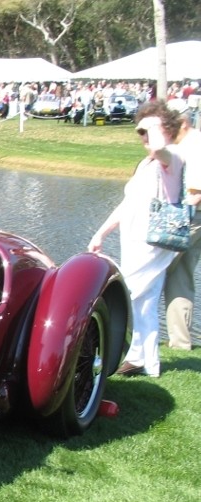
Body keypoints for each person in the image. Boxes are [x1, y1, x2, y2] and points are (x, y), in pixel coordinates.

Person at [88, 101, 186, 377]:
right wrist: (101, 232)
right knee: (144, 302)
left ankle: (113, 352)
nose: (143, 136)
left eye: (149, 130)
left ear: (166, 129)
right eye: (140, 131)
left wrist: (153, 128)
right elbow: (127, 203)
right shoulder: (146, 163)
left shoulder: (173, 157)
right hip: (134, 239)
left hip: (152, 243)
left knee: (122, 291)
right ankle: (148, 361)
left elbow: (159, 148)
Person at [163, 100, 201, 350]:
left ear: (183, 123)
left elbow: (196, 191)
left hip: (192, 217)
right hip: (195, 217)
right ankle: (180, 342)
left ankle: (133, 337)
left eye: (170, 125)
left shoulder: (193, 145)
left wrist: (177, 221)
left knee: (154, 270)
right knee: (180, 276)